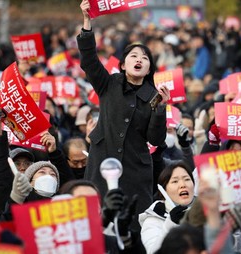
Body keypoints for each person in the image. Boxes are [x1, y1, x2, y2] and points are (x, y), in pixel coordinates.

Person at [78, 0, 170, 222]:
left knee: (134, 223)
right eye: (134, 56)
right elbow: (89, 61)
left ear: (149, 69)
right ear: (122, 64)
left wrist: (160, 108)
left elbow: (156, 138)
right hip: (102, 159)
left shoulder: (153, 96)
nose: (139, 60)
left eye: (145, 58)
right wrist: (87, 22)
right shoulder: (108, 84)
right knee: (98, 218)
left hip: (135, 170)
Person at [139, 162, 195, 253]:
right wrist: (171, 223)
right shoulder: (153, 220)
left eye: (187, 179)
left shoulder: (207, 211)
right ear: (164, 191)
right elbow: (152, 252)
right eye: (175, 181)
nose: (183, 185)